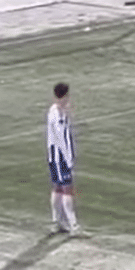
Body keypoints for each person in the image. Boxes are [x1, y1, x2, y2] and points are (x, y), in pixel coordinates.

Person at [46, 82, 84, 236]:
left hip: (55, 156)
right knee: (67, 189)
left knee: (58, 187)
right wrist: (68, 158)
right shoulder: (57, 114)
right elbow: (61, 138)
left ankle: (57, 222)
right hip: (59, 157)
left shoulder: (57, 111)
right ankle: (72, 225)